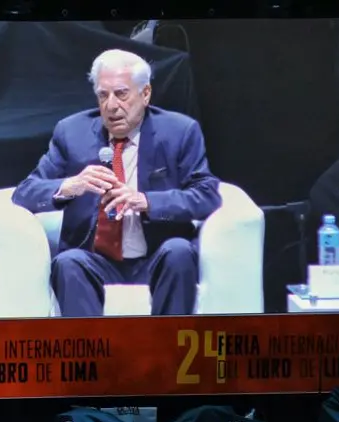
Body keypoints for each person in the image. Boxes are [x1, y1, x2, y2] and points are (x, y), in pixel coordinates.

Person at [12, 49, 222, 317]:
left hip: (157, 256)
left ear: (145, 94)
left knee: (179, 251)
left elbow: (207, 195)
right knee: (68, 262)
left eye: (121, 94)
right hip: (96, 259)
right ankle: (89, 358)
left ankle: (171, 354)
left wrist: (146, 201)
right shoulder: (71, 132)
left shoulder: (179, 132)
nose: (111, 106)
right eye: (103, 95)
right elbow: (24, 192)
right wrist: (69, 186)